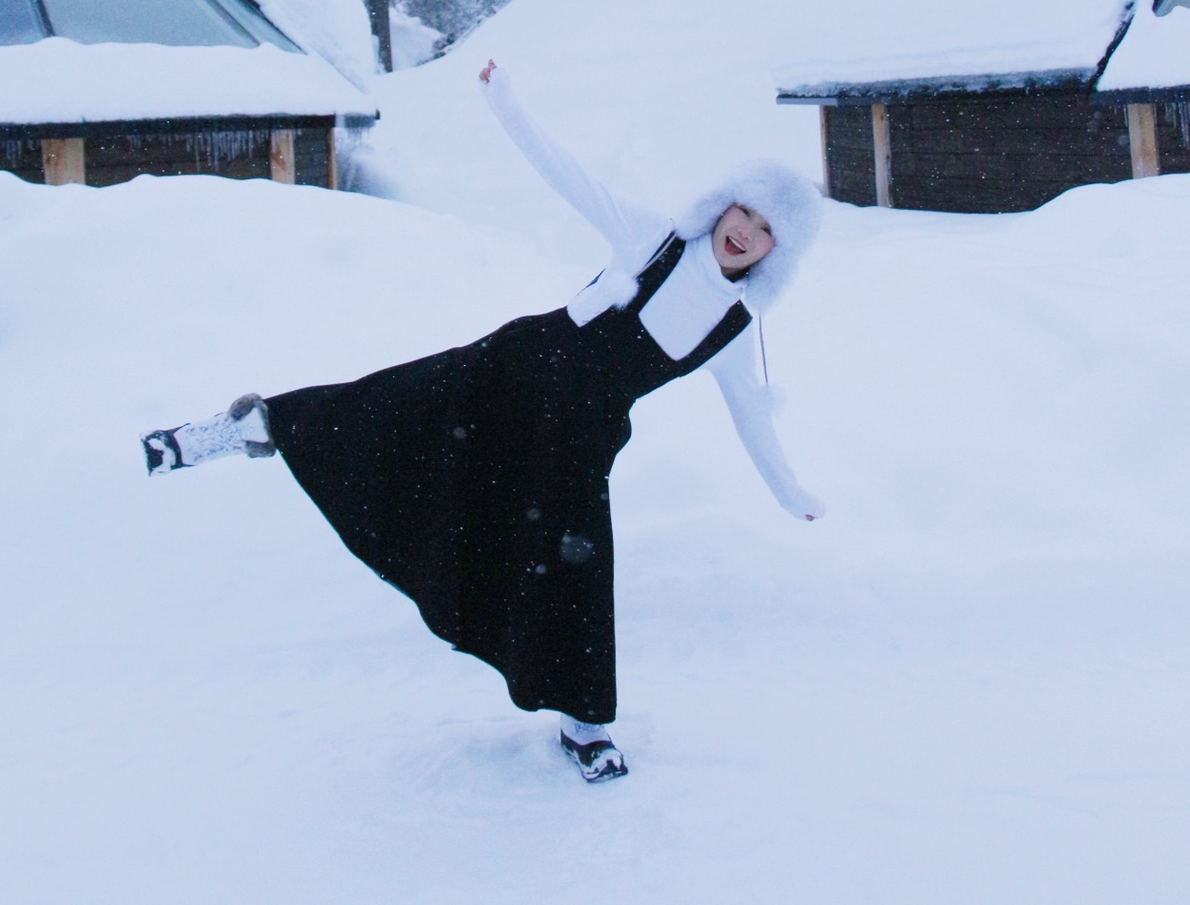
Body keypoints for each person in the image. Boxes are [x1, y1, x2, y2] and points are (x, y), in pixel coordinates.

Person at [142, 62, 825, 783]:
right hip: (514, 371)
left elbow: (753, 415)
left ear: (777, 254)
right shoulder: (652, 240)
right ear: (722, 208)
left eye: (766, 230)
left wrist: (791, 494)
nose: (746, 232)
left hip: (578, 440)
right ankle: (248, 430)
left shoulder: (733, 327)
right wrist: (506, 102)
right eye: (743, 213)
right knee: (388, 411)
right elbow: (568, 175)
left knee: (577, 572)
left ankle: (585, 726)